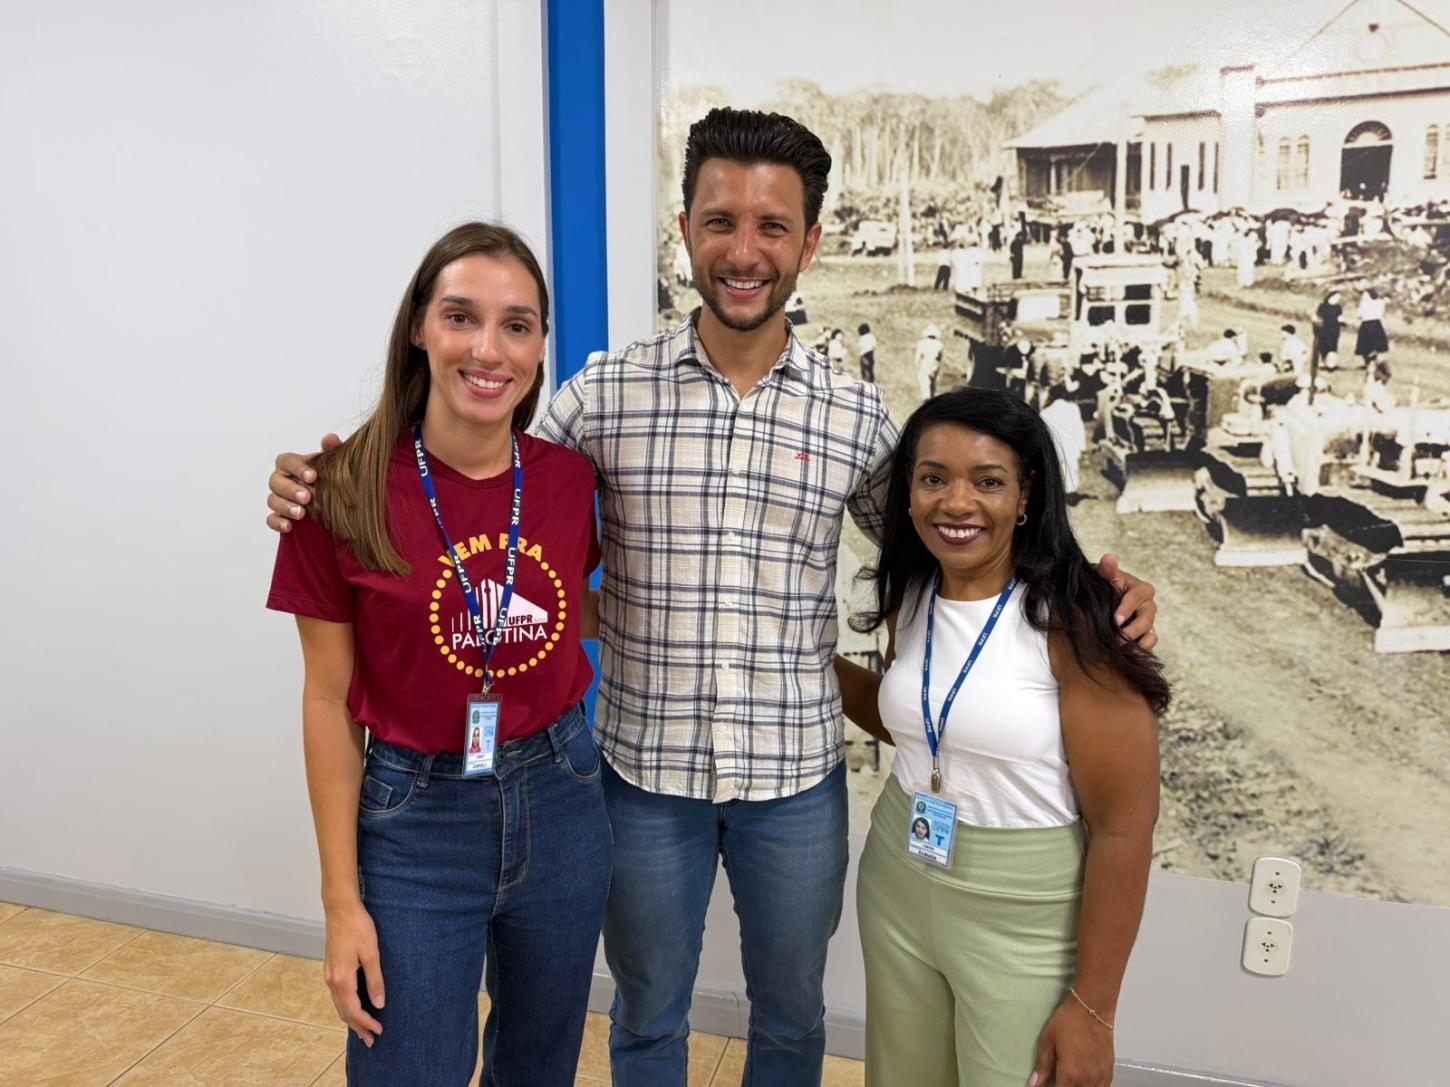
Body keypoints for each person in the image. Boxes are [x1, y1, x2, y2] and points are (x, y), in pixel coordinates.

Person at [264, 107, 1161, 1087]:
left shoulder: (854, 411)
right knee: (646, 1016)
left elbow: (954, 540)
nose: (745, 250)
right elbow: (487, 470)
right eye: (720, 220)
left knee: (791, 1017)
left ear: (809, 243)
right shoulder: (603, 399)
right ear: (684, 231)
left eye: (772, 226)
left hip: (795, 782)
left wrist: (1085, 593)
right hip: (639, 780)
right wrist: (326, 477)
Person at [266, 223, 609, 1085]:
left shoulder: (568, 482)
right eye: (461, 316)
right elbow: (325, 701)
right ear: (419, 326)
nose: (488, 349)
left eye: (517, 325)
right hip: (414, 818)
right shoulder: (336, 495)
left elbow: (568, 610)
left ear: (539, 347)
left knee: (539, 1064)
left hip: (561, 796)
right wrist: (339, 901)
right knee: (407, 1066)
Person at [836, 388, 1166, 1087]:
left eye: (987, 481)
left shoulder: (1080, 621)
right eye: (933, 478)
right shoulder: (915, 590)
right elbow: (921, 728)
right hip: (899, 877)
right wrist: (804, 663)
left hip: (1024, 911)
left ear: (1026, 496)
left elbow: (1124, 827)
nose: (956, 503)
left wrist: (1094, 1008)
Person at [1356, 287, 1389, 368]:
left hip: (1367, 324)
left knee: (1365, 346)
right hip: (1376, 324)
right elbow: (1381, 314)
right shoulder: (1380, 302)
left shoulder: (1365, 303)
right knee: (1377, 346)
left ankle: (1369, 363)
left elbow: (1359, 315)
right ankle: (1375, 363)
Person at [1313, 290, 1344, 371]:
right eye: (1336, 297)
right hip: (1324, 328)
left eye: (1339, 297)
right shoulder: (1322, 306)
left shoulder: (1338, 307)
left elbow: (1340, 318)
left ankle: (1331, 364)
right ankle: (1324, 362)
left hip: (1334, 329)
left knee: (1332, 346)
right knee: (1323, 346)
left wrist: (1343, 322)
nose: (1338, 299)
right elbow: (1318, 317)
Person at [916, 324, 944, 399]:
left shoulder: (921, 344)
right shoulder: (939, 345)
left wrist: (917, 365)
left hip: (926, 365)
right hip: (935, 366)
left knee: (923, 380)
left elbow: (917, 358)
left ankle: (927, 398)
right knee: (933, 383)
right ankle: (933, 395)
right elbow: (940, 358)